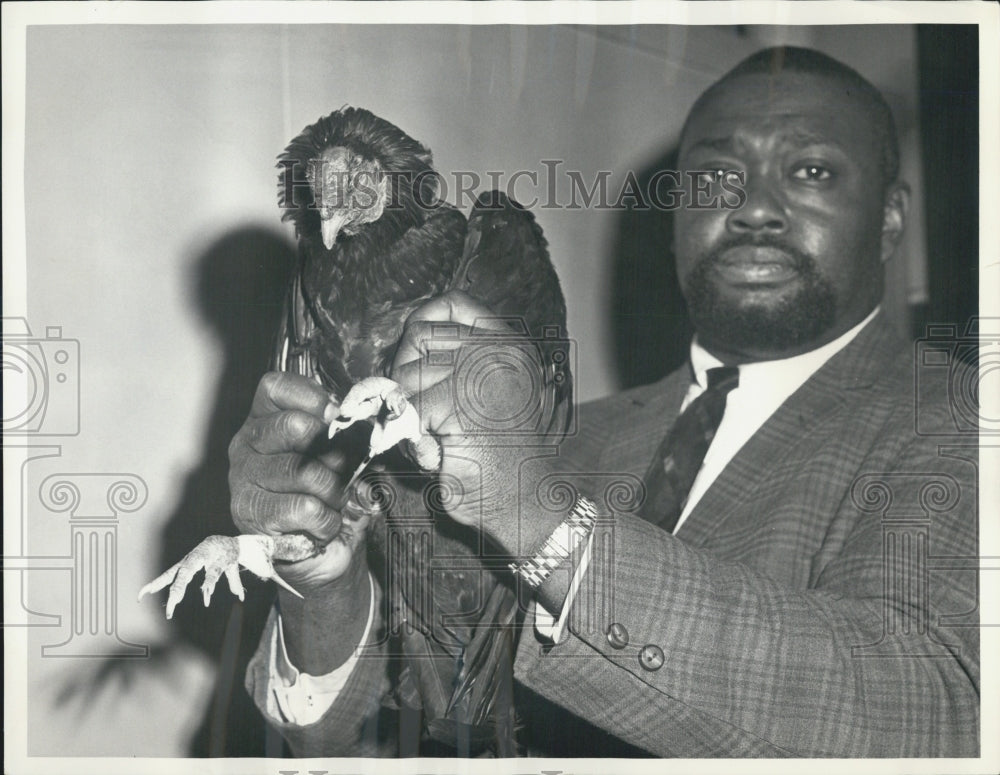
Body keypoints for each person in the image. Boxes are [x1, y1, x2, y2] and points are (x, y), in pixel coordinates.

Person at [233, 47, 979, 757]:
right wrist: (321, 579)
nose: (754, 208)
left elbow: (936, 713)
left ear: (890, 217)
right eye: (716, 178)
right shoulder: (569, 435)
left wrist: (546, 523)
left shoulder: (961, 421)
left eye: (811, 170)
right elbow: (400, 709)